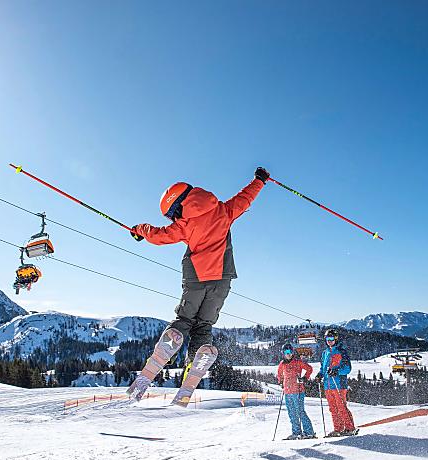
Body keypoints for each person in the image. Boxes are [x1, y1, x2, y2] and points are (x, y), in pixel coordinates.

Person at [130, 167, 270, 374]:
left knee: (185, 318)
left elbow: (159, 236)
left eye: (172, 215)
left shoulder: (184, 224)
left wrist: (139, 230)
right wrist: (259, 180)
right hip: (222, 278)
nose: (173, 218)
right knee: (204, 324)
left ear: (177, 205)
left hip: (196, 276)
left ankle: (165, 353)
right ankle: (194, 364)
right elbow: (245, 198)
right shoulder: (224, 211)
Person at [315, 329, 357, 437]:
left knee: (341, 407)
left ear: (336, 339)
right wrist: (320, 375)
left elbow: (347, 368)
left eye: (331, 339)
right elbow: (323, 368)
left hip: (339, 384)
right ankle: (338, 429)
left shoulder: (341, 352)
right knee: (333, 409)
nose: (329, 341)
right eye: (327, 339)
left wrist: (336, 371)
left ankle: (350, 428)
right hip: (328, 385)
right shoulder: (325, 353)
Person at [277, 343, 316, 440]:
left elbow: (309, 369)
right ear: (283, 353)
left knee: (300, 412)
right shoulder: (282, 364)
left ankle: (309, 432)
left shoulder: (297, 362)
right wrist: (281, 381)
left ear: (293, 352)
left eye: (290, 352)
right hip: (287, 391)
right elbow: (279, 374)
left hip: (298, 391)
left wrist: (305, 378)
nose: (288, 354)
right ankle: (296, 432)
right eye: (286, 352)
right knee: (292, 413)